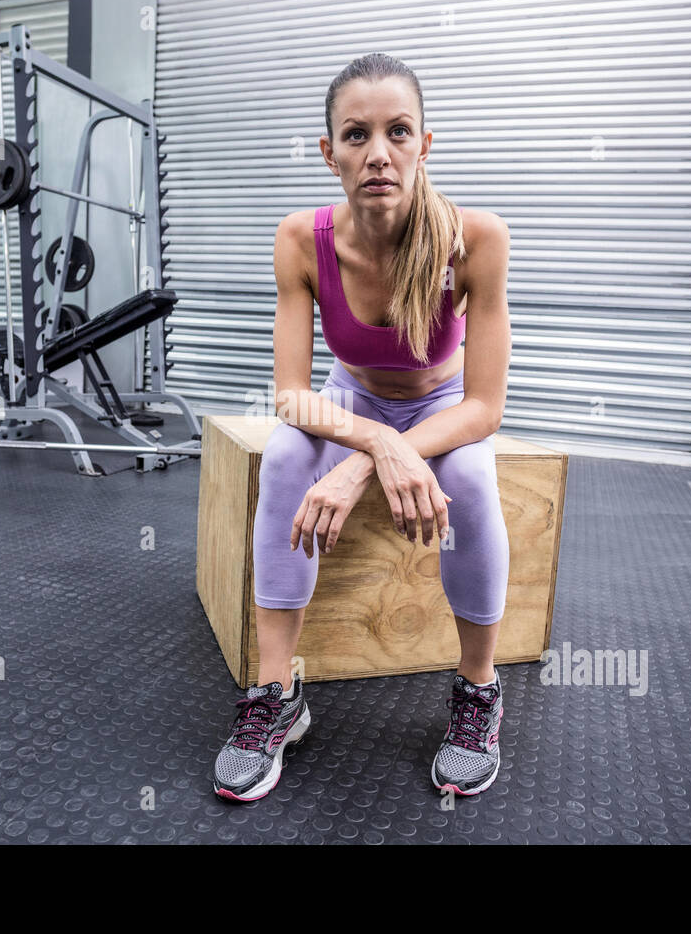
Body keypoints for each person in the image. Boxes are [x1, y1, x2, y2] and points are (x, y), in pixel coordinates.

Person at [213, 53, 513, 802]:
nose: (378, 153)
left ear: (424, 144)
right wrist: (372, 445)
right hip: (349, 404)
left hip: (440, 411)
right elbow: (289, 395)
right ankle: (276, 695)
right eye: (356, 135)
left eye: (398, 131)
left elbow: (483, 408)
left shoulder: (475, 239)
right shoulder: (300, 239)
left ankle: (478, 693)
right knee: (285, 460)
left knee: (472, 477)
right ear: (329, 152)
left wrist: (377, 458)